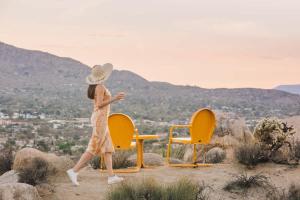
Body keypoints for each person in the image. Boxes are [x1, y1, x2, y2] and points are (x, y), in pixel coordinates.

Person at [67, 63, 125, 185]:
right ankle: (74, 171)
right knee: (93, 147)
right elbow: (99, 104)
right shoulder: (100, 87)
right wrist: (114, 98)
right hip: (100, 120)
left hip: (103, 119)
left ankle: (111, 176)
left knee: (108, 148)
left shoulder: (98, 86)